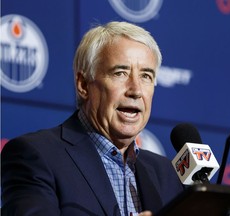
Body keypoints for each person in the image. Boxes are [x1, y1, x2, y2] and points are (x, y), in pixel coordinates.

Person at [1, 21, 184, 216]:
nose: (136, 90)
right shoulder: (36, 156)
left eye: (146, 76)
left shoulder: (165, 173)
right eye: (120, 73)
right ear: (83, 85)